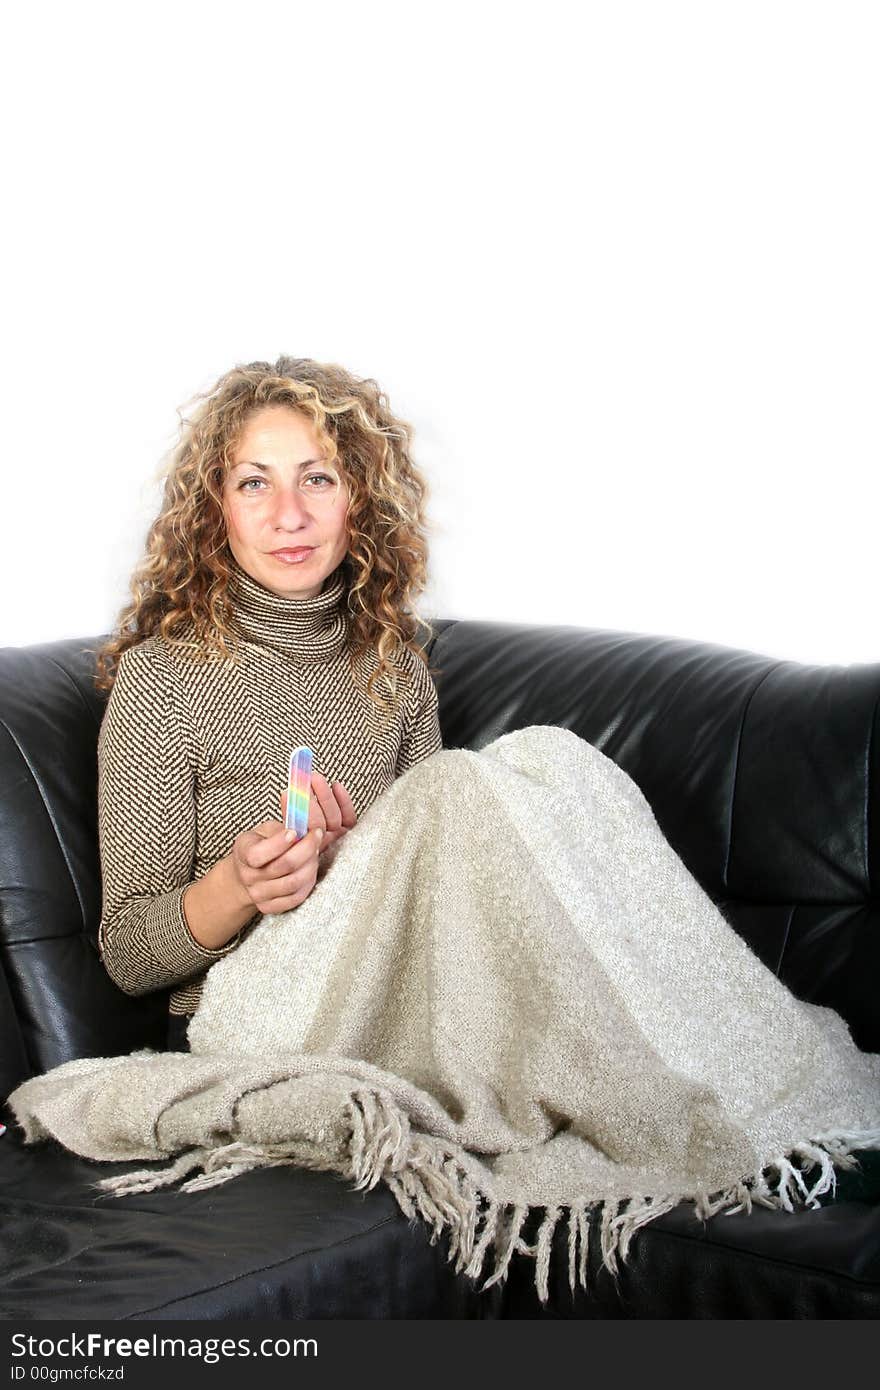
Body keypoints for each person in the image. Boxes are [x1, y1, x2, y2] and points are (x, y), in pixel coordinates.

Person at [92, 356, 444, 1050]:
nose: (291, 515)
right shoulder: (161, 681)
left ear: (359, 501)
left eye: (317, 479)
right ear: (214, 509)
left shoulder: (395, 668)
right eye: (255, 483)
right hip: (248, 1026)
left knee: (545, 769)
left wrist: (354, 863)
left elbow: (439, 900)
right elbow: (129, 956)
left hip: (389, 1011)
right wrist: (241, 886)